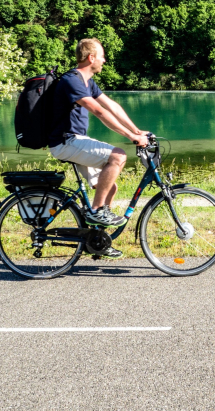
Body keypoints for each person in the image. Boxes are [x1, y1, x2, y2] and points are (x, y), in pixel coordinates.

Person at [48, 38, 148, 257]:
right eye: (102, 56)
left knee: (110, 188)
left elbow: (111, 105)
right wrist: (129, 136)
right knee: (118, 157)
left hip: (73, 141)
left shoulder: (87, 81)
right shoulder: (72, 80)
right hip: (65, 142)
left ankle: (98, 241)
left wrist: (137, 131)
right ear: (91, 57)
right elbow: (99, 111)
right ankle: (97, 212)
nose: (104, 60)